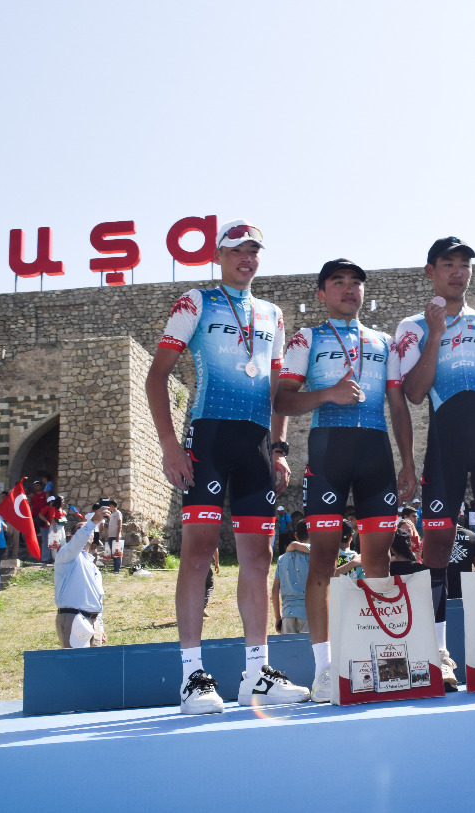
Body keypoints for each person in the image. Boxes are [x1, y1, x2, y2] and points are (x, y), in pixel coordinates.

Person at [146, 218, 308, 714]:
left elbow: (277, 389)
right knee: (197, 553)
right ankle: (192, 678)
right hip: (209, 438)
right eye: (237, 250)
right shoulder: (196, 302)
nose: (246, 258)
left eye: (254, 251)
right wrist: (170, 446)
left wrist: (278, 448)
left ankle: (257, 673)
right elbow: (157, 377)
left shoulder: (273, 314)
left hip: (256, 445)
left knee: (258, 559)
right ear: (219, 256)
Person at [275, 258, 417, 702]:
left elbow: (398, 405)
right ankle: (324, 670)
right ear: (322, 293)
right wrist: (328, 394)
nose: (349, 288)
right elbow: (282, 400)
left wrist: (408, 462)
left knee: (379, 561)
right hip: (328, 453)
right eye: (338, 282)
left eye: (356, 282)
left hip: (376, 453)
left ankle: (385, 661)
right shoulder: (307, 338)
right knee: (321, 562)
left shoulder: (383, 341)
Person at [395, 235, 475, 690]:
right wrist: (435, 334)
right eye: (448, 264)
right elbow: (414, 393)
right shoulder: (413, 326)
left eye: (464, 264)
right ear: (430, 271)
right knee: (436, 548)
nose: (458, 272)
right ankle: (438, 654)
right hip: (445, 445)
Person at [54, 506, 108, 648]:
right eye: (80, 529)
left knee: (95, 661)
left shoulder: (93, 567)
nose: (86, 531)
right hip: (73, 618)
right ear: (72, 536)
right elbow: (78, 541)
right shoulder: (66, 555)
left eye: (89, 530)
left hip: (94, 621)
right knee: (76, 661)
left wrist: (100, 626)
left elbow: (97, 598)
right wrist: (92, 522)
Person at [272, 523, 311, 635]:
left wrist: (278, 617)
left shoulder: (281, 559)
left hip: (287, 614)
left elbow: (275, 590)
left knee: (289, 646)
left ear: (296, 535)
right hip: (309, 614)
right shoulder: (316, 557)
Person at [446, 522, 475, 600]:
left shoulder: (435, 537)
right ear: (459, 515)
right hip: (466, 590)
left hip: (442, 591)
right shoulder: (472, 536)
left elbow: (427, 567)